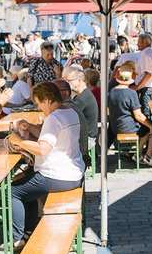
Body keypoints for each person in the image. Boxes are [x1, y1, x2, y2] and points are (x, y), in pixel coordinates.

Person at [7, 81, 85, 240]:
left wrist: (19, 141)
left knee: (12, 192)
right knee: (26, 184)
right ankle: (28, 230)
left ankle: (16, 239)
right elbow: (50, 136)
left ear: (48, 100)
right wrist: (29, 126)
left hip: (57, 176)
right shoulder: (70, 112)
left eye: (38, 103)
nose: (38, 107)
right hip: (74, 173)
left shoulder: (54, 118)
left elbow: (43, 149)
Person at [107, 65, 152, 164]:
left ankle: (136, 153)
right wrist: (151, 125)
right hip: (127, 128)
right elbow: (138, 116)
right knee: (150, 128)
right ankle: (142, 155)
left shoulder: (112, 92)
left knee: (147, 127)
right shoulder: (131, 93)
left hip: (115, 127)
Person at [63, 66, 99, 157]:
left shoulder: (83, 98)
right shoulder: (82, 94)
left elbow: (67, 115)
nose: (66, 83)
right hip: (84, 136)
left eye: (69, 81)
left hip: (87, 139)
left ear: (79, 80)